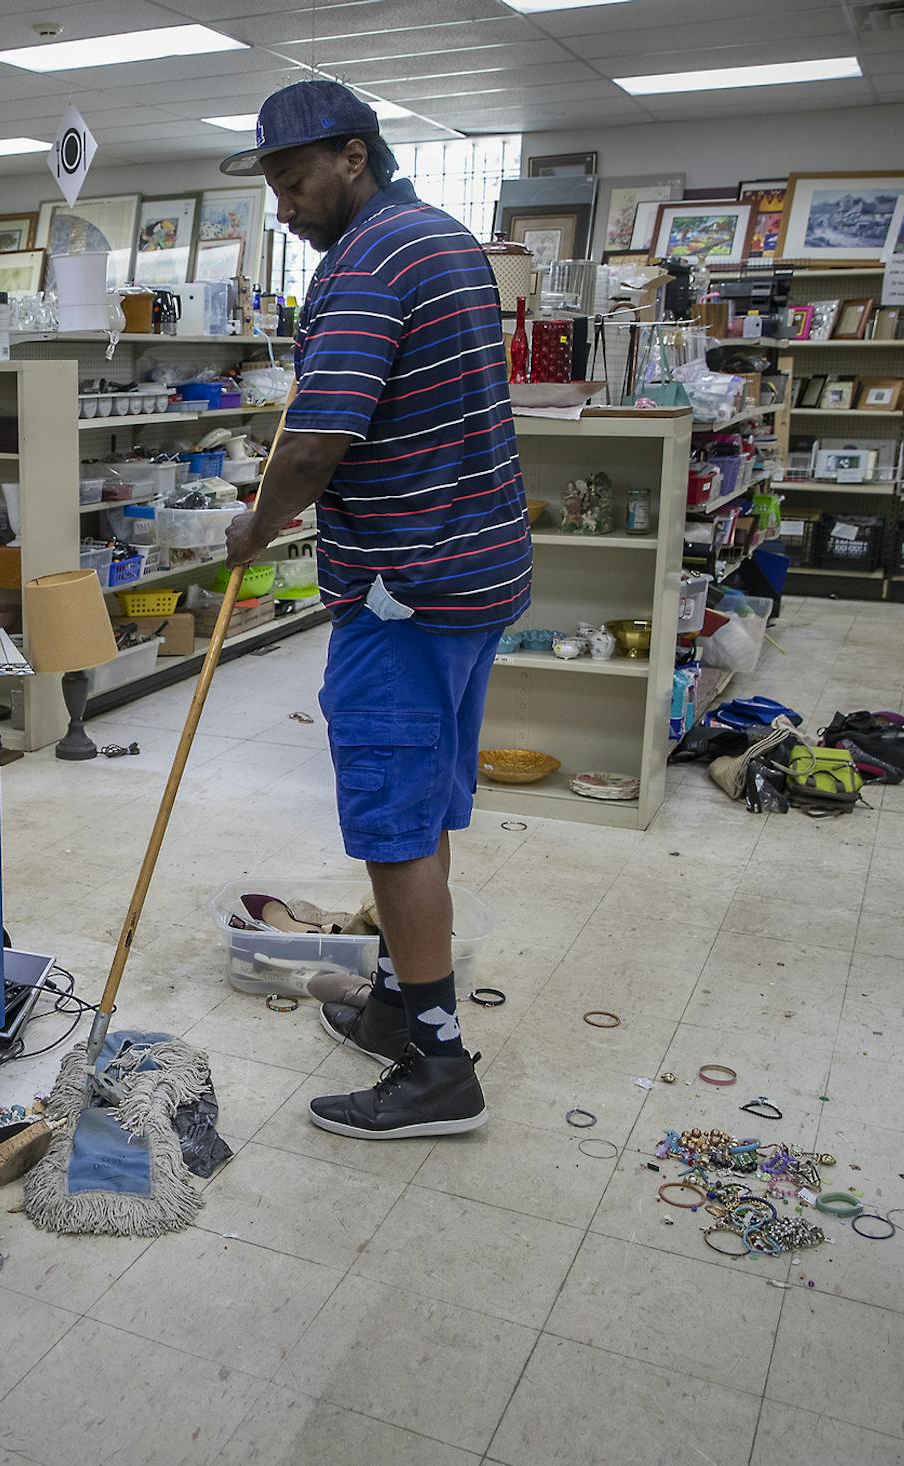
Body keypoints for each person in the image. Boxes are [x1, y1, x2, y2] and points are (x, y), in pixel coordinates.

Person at [220, 80, 531, 1139]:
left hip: (405, 592)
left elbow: (314, 445)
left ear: (353, 156)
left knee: (394, 830)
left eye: (294, 180)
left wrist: (255, 527)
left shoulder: (364, 266)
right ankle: (405, 1001)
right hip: (473, 576)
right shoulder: (438, 237)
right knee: (426, 806)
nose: (286, 207)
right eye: (273, 188)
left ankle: (440, 1066)